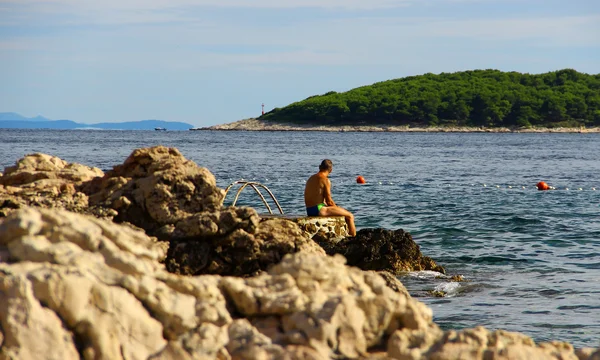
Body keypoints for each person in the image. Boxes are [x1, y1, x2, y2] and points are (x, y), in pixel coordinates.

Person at [304, 159, 356, 236]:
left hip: (309, 210)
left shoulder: (311, 178)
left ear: (319, 167)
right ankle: (354, 239)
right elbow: (329, 202)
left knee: (340, 211)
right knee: (350, 216)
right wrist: (337, 208)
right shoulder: (325, 180)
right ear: (330, 170)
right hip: (319, 209)